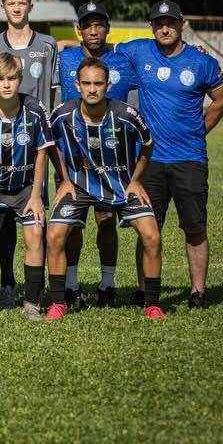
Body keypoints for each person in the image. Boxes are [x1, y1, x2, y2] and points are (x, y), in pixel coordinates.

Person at [115, 0, 223, 309]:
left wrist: (199, 130)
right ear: (151, 26)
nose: (164, 28)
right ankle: (144, 290)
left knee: (194, 227)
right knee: (147, 228)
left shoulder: (201, 62)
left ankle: (197, 293)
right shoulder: (138, 51)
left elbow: (221, 99)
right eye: (158, 23)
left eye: (170, 22)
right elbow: (96, 49)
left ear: (182, 24)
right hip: (149, 161)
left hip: (190, 159)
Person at [46, 58, 160, 320]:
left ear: (108, 85)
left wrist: (136, 180)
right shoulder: (63, 114)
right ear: (77, 85)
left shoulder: (125, 114)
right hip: (78, 186)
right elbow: (48, 143)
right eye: (86, 83)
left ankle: (152, 304)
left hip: (122, 186)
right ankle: (58, 301)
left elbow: (147, 144)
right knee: (54, 235)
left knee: (152, 236)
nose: (92, 89)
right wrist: (64, 178)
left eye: (98, 83)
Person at [0, 0, 59, 307]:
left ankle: (34, 286)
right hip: (2, 147)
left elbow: (53, 95)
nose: (16, 8)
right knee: (4, 219)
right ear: (3, 8)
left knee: (35, 216)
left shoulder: (47, 44)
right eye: (11, 3)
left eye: (22, 2)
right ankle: (7, 281)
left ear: (30, 6)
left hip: (35, 145)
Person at [56, 0, 137, 307]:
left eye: (99, 24)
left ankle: (106, 285)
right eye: (87, 25)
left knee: (105, 220)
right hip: (71, 157)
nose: (93, 30)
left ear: (107, 29)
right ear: (79, 30)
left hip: (111, 160)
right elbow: (27, 51)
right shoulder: (64, 58)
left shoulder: (123, 61)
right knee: (73, 223)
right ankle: (72, 286)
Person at [0, 53, 54, 319]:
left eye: (12, 79)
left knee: (35, 233)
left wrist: (36, 195)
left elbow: (41, 152)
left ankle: (31, 302)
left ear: (20, 79)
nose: (6, 84)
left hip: (23, 186)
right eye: (0, 79)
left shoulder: (35, 109)